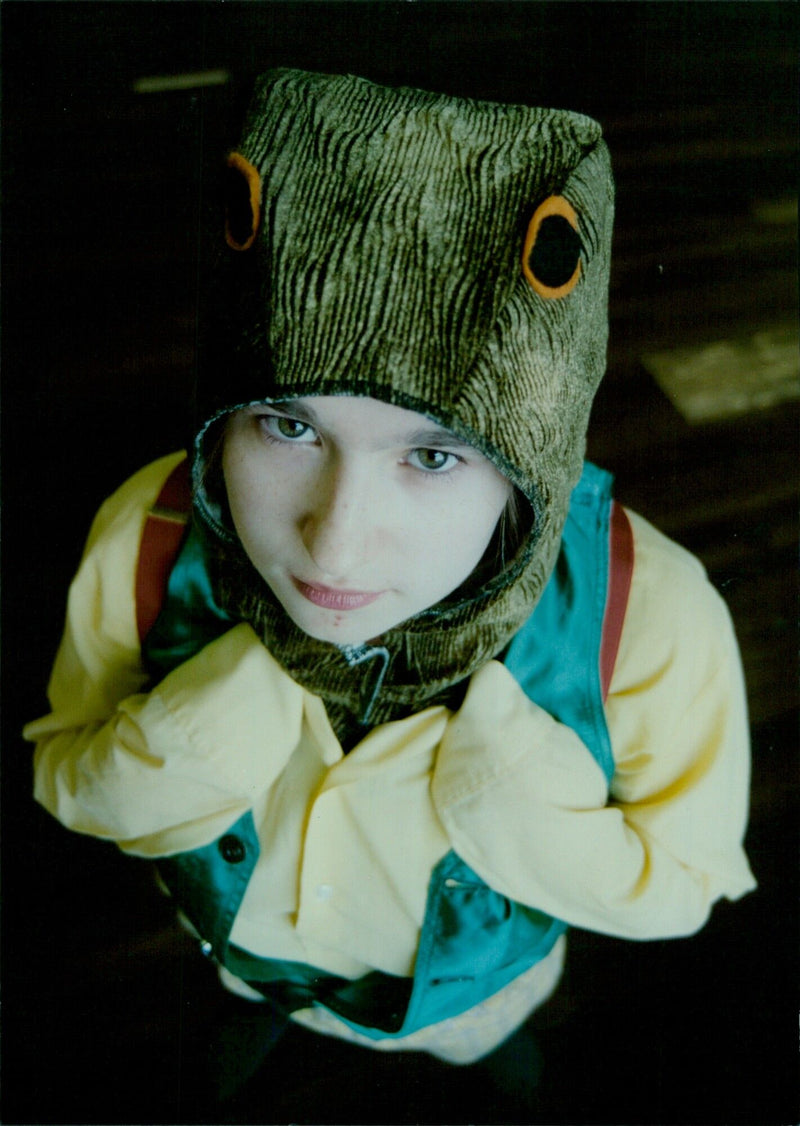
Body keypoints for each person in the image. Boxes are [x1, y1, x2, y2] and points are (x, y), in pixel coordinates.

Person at [25, 69, 755, 1078]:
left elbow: (685, 884)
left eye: (433, 454)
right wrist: (192, 738)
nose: (332, 549)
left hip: (479, 1009)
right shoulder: (148, 534)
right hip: (240, 969)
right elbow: (62, 766)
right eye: (287, 425)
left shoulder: (648, 618)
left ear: (527, 458)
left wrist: (502, 793)